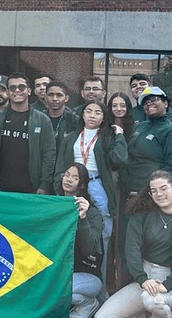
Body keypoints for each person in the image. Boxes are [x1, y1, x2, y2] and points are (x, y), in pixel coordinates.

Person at [94, 170, 172, 318]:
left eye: (164, 188)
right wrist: (142, 279)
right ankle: (152, 315)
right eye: (154, 190)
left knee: (152, 298)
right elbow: (132, 249)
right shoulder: (141, 215)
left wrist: (167, 285)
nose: (159, 194)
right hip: (144, 279)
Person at [117, 86, 172, 288]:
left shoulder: (171, 132)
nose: (149, 104)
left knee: (146, 248)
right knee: (127, 246)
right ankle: (128, 295)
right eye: (145, 102)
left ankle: (150, 293)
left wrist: (154, 195)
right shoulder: (140, 128)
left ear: (166, 103)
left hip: (150, 200)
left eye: (154, 99)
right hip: (129, 197)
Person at [54, 101, 126, 289]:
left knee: (102, 236)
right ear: (82, 114)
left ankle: (99, 288)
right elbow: (60, 164)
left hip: (97, 185)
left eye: (97, 112)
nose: (92, 115)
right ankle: (73, 283)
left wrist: (119, 136)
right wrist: (58, 187)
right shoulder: (71, 137)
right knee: (72, 231)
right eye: (88, 111)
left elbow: (120, 159)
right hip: (73, 186)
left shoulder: (108, 137)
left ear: (104, 117)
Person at [0, 73, 56, 194]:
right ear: (8, 92)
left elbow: (49, 154)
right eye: (12, 88)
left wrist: (45, 184)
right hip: (0, 186)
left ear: (29, 91)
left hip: (32, 188)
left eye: (21, 87)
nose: (17, 90)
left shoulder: (42, 120)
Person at [57, 163, 104, 318]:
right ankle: (78, 303)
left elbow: (89, 249)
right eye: (67, 175)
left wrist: (82, 218)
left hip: (88, 275)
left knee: (56, 289)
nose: (69, 179)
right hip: (60, 271)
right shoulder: (54, 204)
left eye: (75, 177)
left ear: (82, 184)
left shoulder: (92, 213)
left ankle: (90, 303)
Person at [44, 81, 79, 157]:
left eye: (59, 95)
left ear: (66, 98)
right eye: (51, 95)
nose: (54, 99)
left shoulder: (74, 120)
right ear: (45, 98)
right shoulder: (39, 119)